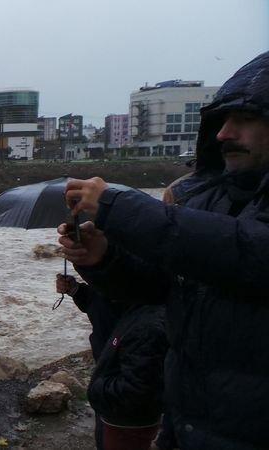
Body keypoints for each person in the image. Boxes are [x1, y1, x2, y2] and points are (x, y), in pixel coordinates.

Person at [58, 51, 269, 449]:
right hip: (187, 426)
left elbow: (246, 252)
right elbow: (162, 289)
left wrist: (118, 206)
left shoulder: (215, 214)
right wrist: (104, 258)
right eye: (221, 121)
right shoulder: (211, 198)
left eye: (244, 118)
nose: (224, 133)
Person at [57, 275, 168, 450]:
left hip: (123, 408)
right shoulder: (115, 285)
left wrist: (99, 389)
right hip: (110, 382)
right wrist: (77, 291)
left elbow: (138, 389)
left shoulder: (146, 320)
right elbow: (99, 305)